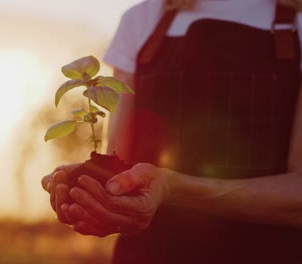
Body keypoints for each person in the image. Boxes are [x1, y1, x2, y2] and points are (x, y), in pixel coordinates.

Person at [42, 0, 302, 263]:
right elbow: (118, 161)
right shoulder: (143, 19)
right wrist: (97, 194)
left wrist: (171, 187)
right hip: (148, 255)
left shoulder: (298, 20)